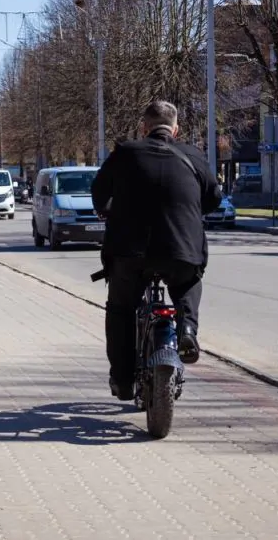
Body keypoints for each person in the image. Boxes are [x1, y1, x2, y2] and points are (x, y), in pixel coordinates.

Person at [91, 101, 222, 401]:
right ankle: (187, 330)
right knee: (187, 284)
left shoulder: (124, 154)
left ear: (144, 128)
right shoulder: (194, 156)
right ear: (176, 129)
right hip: (182, 249)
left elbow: (98, 192)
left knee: (121, 311)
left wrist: (107, 210)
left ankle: (123, 380)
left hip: (130, 253)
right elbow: (214, 198)